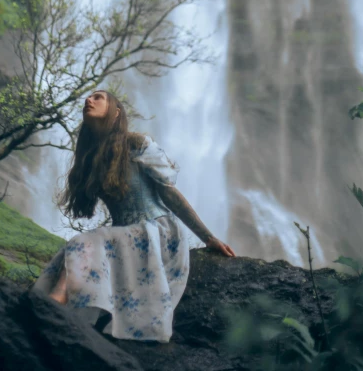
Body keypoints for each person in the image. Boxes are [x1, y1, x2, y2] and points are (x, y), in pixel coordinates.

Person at [33, 90, 235, 342]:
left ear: (116, 112)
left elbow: (170, 195)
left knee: (85, 241)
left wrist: (209, 238)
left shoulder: (137, 144)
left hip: (157, 232)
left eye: (98, 97)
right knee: (72, 250)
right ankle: (55, 306)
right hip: (123, 237)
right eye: (88, 97)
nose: (88, 100)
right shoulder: (91, 158)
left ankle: (54, 305)